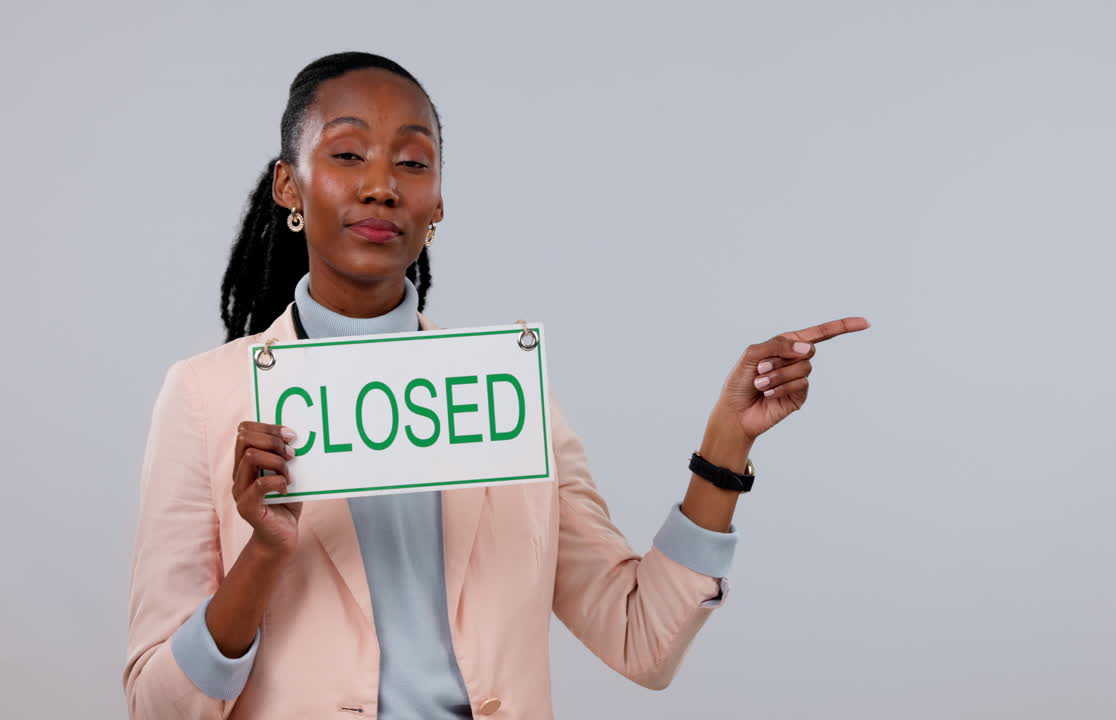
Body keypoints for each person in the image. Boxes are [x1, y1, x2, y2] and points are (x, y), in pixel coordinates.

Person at [123, 51, 869, 720]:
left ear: (438, 204)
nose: (382, 186)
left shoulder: (501, 395)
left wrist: (724, 446)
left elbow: (640, 638)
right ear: (290, 185)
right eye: (349, 153)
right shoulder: (203, 398)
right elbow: (157, 708)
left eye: (413, 164)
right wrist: (263, 554)